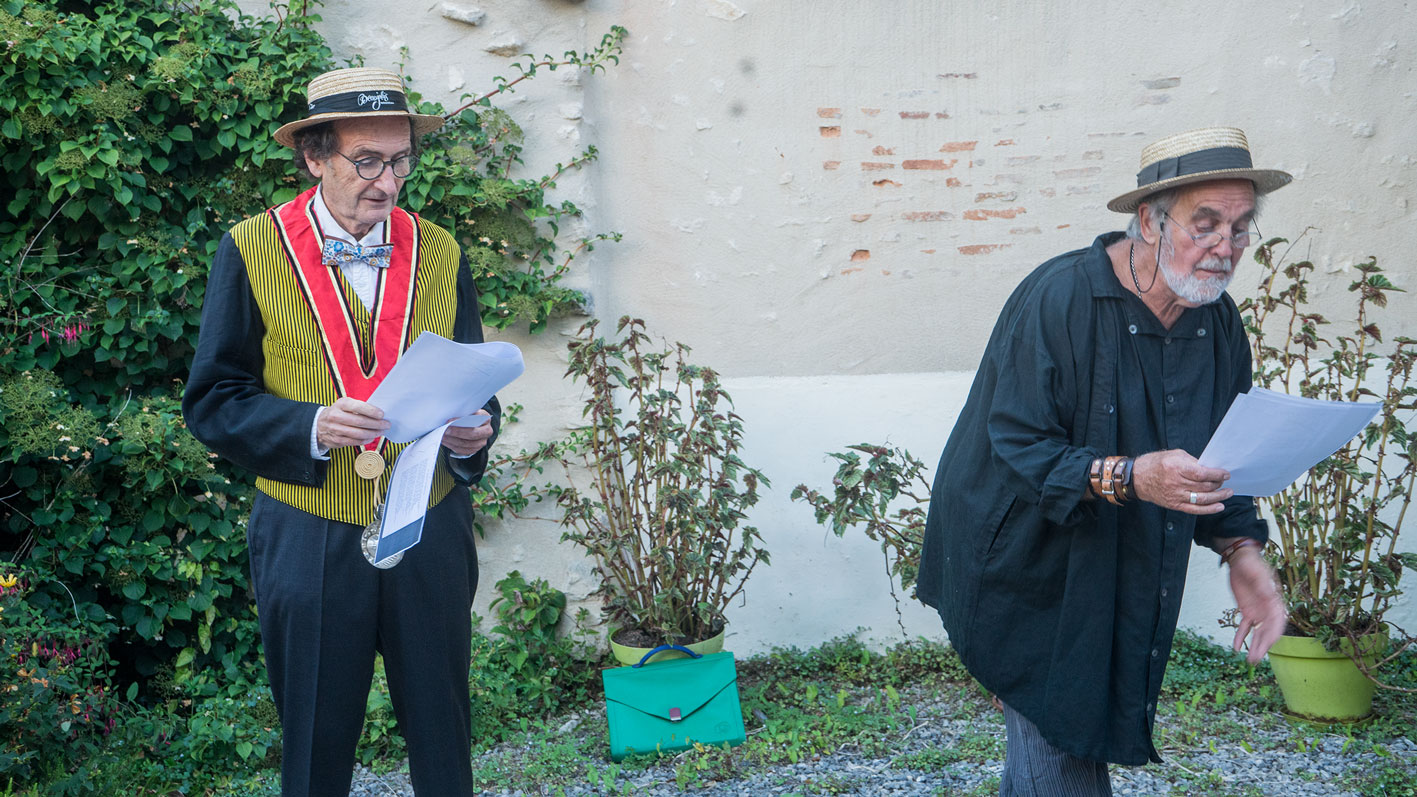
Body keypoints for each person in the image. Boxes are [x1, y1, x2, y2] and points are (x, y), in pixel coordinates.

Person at [915, 127, 1291, 796]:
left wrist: (1241, 550)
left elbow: (1220, 454)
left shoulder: (1218, 323)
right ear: (1147, 220)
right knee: (1059, 752)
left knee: (1057, 748)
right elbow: (1021, 446)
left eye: (1238, 228)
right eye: (1203, 224)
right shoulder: (1058, 298)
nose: (1224, 248)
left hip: (1118, 565)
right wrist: (1131, 475)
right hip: (1023, 563)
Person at [183, 67, 498, 796]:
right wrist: (311, 425)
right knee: (316, 742)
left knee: (443, 731)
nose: (386, 183)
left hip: (429, 520)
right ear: (314, 156)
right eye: (366, 161)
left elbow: (472, 379)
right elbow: (214, 399)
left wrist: (475, 435)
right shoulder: (250, 249)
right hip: (306, 527)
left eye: (399, 161)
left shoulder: (442, 250)